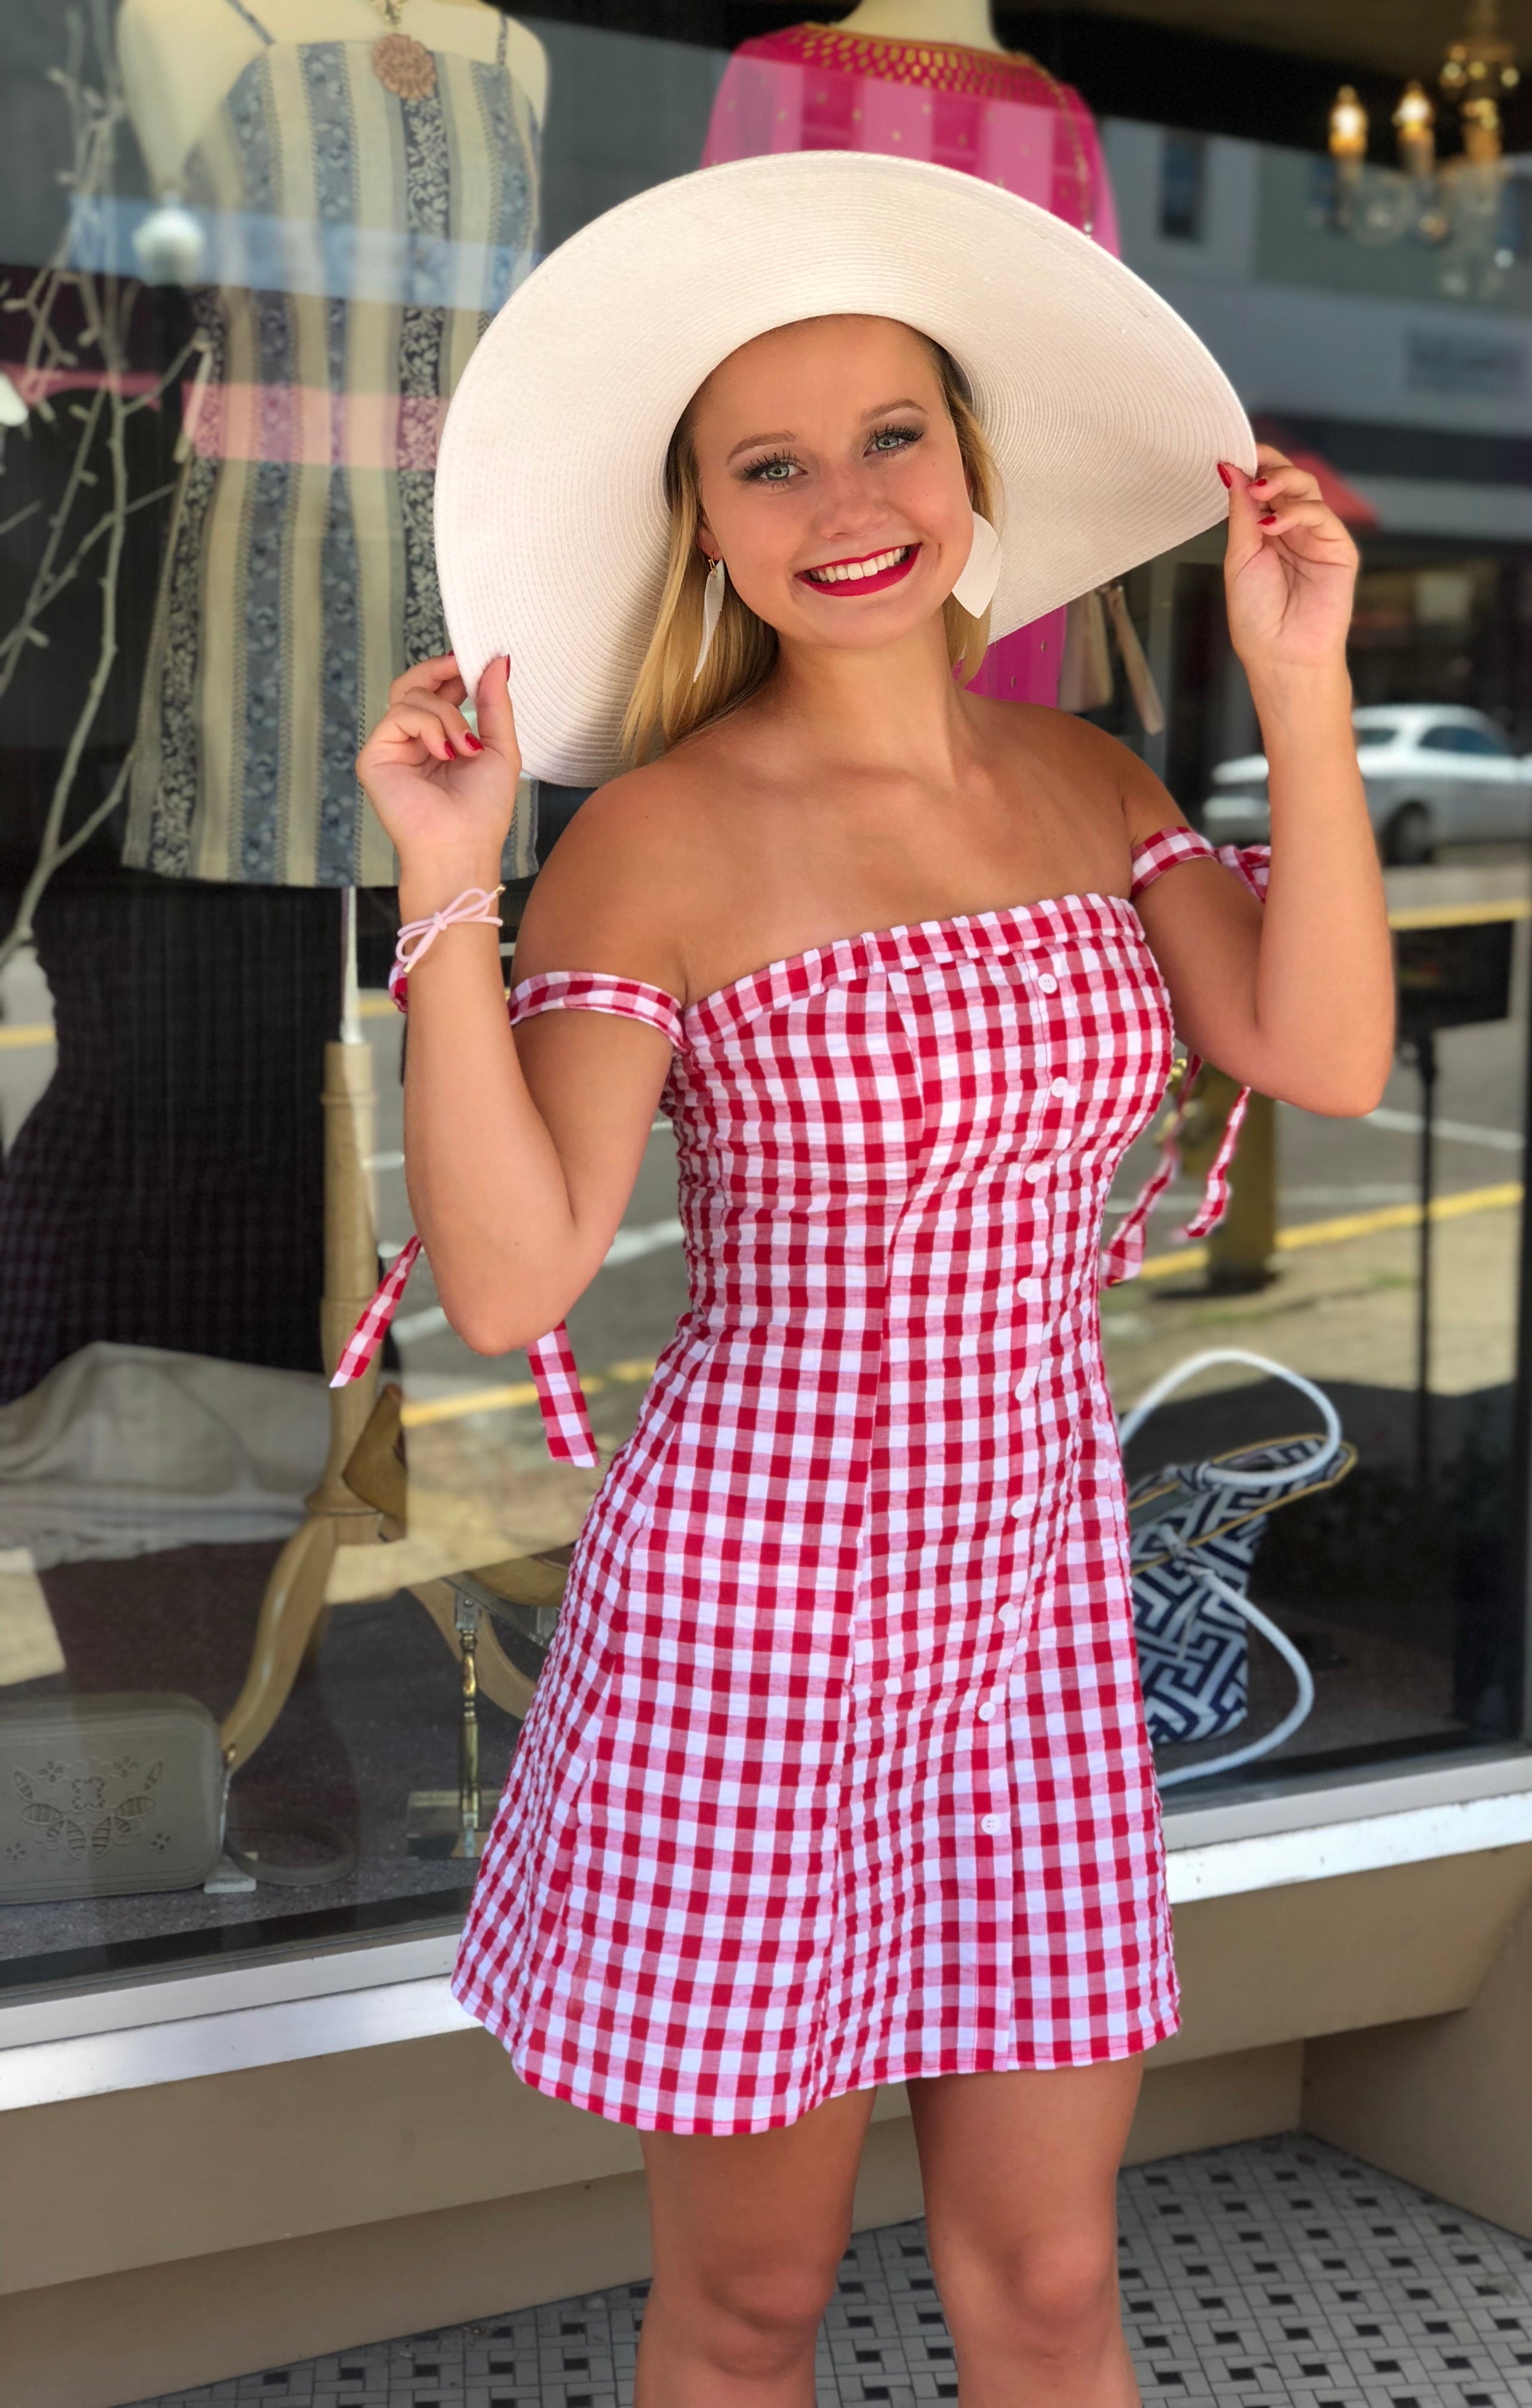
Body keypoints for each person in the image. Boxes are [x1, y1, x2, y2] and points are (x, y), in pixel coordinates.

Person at [349, 155, 1392, 2408]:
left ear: (973, 465)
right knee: (751, 2309)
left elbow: (1318, 1048)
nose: (847, 500)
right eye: (773, 462)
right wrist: (453, 894)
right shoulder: (658, 836)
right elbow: (522, 1282)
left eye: (893, 433)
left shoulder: (1088, 777)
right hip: (757, 1625)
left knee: (1048, 2290)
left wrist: (1299, 690)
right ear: (705, 522)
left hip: (1030, 1606)